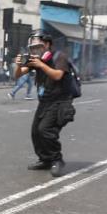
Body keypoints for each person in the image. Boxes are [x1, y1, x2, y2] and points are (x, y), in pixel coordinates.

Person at [13, 30, 76, 178]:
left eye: (38, 47)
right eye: (33, 48)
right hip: (45, 101)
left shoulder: (59, 57)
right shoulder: (37, 60)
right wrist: (17, 65)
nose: (35, 51)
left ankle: (57, 160)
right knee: (35, 131)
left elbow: (57, 75)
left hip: (60, 101)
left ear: (47, 44)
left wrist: (41, 65)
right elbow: (18, 74)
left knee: (45, 130)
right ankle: (45, 159)